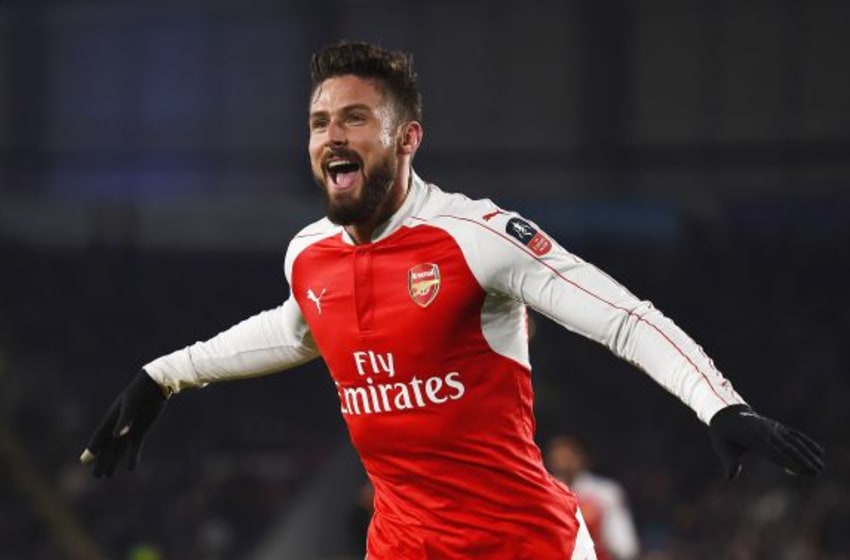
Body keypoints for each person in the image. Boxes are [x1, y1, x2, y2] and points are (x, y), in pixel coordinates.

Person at [80, 41, 825, 560]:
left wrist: (718, 403)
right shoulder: (309, 254)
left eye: (354, 119)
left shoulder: (476, 236)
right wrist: (164, 374)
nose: (330, 135)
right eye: (318, 122)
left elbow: (622, 316)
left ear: (407, 139)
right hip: (402, 549)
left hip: (523, 547)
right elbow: (297, 329)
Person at [546, 435, 639, 560]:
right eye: (558, 455)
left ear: (582, 458)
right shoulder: (544, 494)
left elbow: (623, 543)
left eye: (568, 455)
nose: (562, 461)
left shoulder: (605, 493)